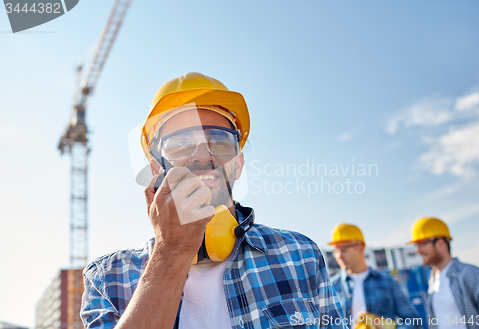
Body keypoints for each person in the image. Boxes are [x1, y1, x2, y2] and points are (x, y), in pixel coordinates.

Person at [80, 72, 346, 328]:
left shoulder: (300, 256)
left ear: (238, 164)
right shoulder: (108, 278)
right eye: (180, 143)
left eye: (218, 140)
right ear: (155, 170)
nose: (202, 156)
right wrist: (171, 251)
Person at [409, 217, 479, 329]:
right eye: (416, 245)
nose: (418, 250)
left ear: (440, 243)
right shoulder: (433, 280)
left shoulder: (470, 273)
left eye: (422, 244)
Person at [329, 223, 421, 329]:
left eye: (344, 250)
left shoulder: (388, 282)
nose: (339, 256)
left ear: (360, 248)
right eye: (336, 251)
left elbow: (412, 321)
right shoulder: (330, 288)